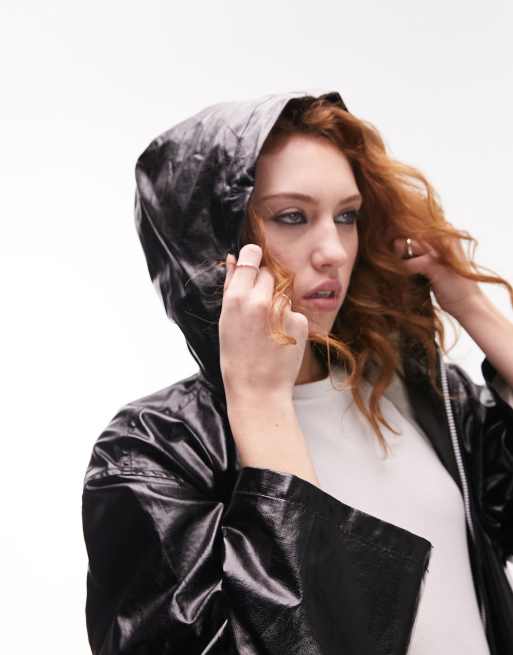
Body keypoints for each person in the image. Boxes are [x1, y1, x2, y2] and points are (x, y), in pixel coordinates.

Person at [81, 90, 513, 654]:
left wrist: (471, 303)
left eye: (347, 216)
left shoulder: (414, 394)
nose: (333, 250)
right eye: (292, 217)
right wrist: (261, 404)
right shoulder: (156, 450)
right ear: (214, 242)